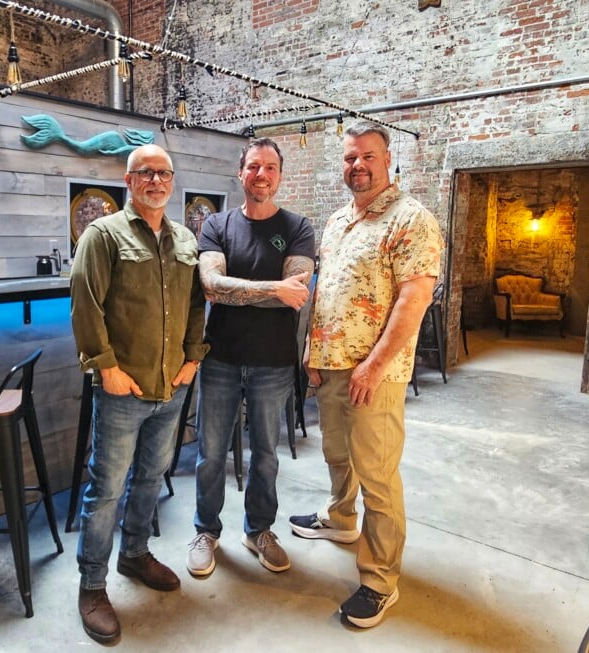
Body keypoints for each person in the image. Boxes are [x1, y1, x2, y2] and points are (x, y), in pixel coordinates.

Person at [290, 122, 443, 629]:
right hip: (331, 363)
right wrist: (313, 351)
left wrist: (374, 365)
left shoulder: (410, 218)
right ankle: (339, 518)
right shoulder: (338, 221)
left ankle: (380, 579)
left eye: (368, 157)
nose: (358, 165)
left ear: (387, 158)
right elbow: (326, 290)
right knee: (337, 451)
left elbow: (414, 298)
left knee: (377, 473)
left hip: (374, 372)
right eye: (350, 158)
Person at [70, 144, 207, 645]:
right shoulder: (103, 235)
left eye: (164, 172)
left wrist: (194, 357)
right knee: (106, 489)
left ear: (172, 181)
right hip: (123, 388)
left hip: (170, 385)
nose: (156, 180)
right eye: (145, 173)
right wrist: (105, 368)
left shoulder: (184, 239)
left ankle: (135, 554)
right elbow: (86, 303)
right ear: (128, 182)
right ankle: (92, 585)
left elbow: (195, 304)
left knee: (151, 477)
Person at [187, 138, 316, 577]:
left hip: (274, 362)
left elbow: (294, 294)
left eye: (270, 168)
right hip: (220, 357)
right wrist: (272, 290)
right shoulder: (216, 226)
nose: (261, 175)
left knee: (265, 454)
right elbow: (210, 286)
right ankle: (206, 530)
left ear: (279, 175)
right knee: (209, 454)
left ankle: (258, 530)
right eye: (254, 166)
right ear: (240, 172)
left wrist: (241, 292)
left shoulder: (298, 228)